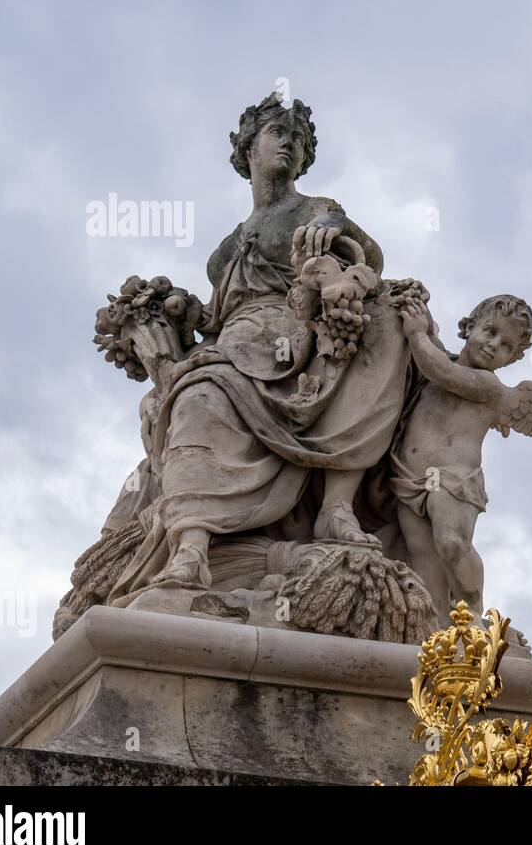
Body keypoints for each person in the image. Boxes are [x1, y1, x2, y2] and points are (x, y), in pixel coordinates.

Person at [108, 94, 422, 602]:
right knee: (196, 393)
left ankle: (333, 508)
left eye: (299, 140)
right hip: (233, 344)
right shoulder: (226, 249)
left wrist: (337, 229)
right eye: (279, 133)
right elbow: (217, 318)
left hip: (293, 334)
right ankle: (191, 548)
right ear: (247, 148)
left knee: (204, 384)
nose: (290, 145)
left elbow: (371, 258)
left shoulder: (316, 210)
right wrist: (173, 313)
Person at [390, 295, 532, 613]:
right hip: (409, 477)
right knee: (423, 557)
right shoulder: (437, 358)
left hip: (455, 480)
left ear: (511, 360)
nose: (495, 345)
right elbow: (436, 358)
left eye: (507, 346)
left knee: (452, 543)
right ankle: (439, 629)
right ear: (468, 327)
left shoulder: (487, 386)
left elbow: (444, 373)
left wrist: (416, 333)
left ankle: (474, 613)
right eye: (490, 331)